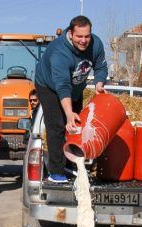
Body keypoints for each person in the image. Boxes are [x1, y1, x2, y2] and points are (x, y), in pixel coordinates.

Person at [34, 15, 108, 183]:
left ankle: (71, 163)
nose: (83, 40)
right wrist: (68, 113)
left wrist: (99, 83)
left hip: (75, 87)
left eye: (87, 36)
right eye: (79, 36)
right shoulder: (59, 52)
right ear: (70, 33)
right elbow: (62, 86)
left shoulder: (96, 44)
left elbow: (101, 67)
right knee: (57, 126)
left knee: (75, 126)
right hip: (49, 86)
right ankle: (56, 171)